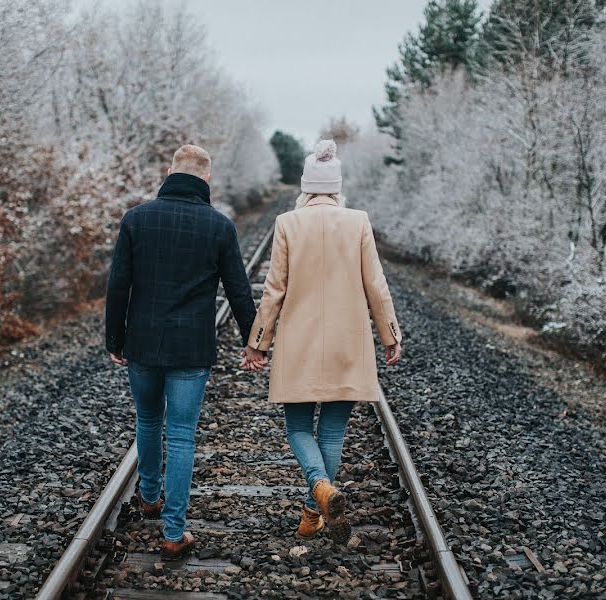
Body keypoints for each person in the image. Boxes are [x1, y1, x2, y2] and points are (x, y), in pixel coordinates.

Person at [241, 139, 402, 545]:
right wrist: (390, 335)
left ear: (305, 188)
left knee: (297, 428)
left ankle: (319, 489)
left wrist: (258, 342)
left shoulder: (288, 223)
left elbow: (274, 289)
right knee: (331, 433)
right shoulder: (358, 221)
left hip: (300, 345)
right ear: (337, 188)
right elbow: (376, 285)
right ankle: (315, 510)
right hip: (347, 344)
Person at [105, 144, 257, 560]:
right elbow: (240, 292)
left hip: (142, 342)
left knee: (149, 419)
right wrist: (253, 341)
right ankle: (173, 532)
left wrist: (113, 340)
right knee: (183, 435)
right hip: (191, 349)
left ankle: (150, 496)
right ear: (206, 179)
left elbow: (119, 285)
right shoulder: (219, 227)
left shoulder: (137, 219)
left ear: (169, 171)